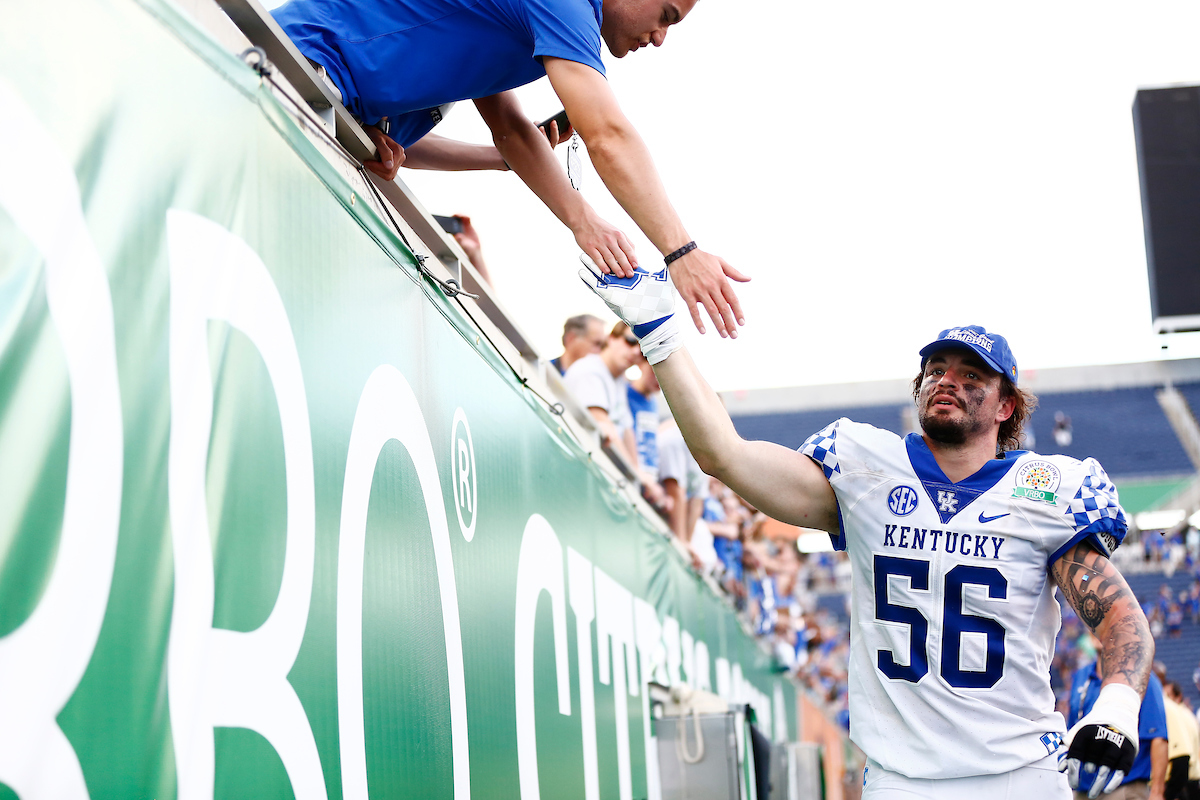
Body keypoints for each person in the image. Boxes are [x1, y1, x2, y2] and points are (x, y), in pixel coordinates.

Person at [580, 263, 1155, 799]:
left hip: (1018, 775)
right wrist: (659, 330)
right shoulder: (864, 467)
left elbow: (1120, 617)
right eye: (936, 370)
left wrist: (1119, 704)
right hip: (899, 780)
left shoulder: (1046, 489)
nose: (946, 380)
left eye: (970, 374)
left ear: (1006, 406)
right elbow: (723, 455)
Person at [272, 0, 750, 337]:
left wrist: (568, 208)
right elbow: (606, 133)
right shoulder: (565, 5)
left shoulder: (508, 26)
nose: (661, 39)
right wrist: (680, 252)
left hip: (324, 101)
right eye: (666, 15)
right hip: (292, 70)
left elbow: (512, 133)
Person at [1068, 647, 1167, 800]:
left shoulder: (1142, 676)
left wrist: (1157, 792)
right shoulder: (1081, 676)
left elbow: (1158, 737)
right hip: (1082, 788)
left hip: (1124, 787)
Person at [563, 321, 641, 467]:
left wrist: (638, 471)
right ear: (611, 339)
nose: (636, 352)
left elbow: (626, 429)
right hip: (572, 462)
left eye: (643, 351)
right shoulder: (590, 370)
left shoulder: (618, 379)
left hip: (589, 464)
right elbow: (603, 423)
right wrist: (636, 475)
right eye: (631, 341)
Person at [1162, 680, 1199, 800]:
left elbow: (1181, 759)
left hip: (1182, 782)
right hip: (1191, 780)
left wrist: (1168, 795)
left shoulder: (1173, 713)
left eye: (1167, 696)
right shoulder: (1186, 713)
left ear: (1178, 697)